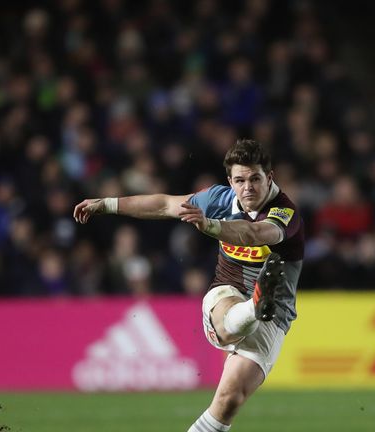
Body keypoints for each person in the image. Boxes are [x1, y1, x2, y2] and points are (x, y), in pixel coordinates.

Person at [73, 139, 304, 432]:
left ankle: (257, 306)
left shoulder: (285, 212)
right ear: (229, 181)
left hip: (275, 316)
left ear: (269, 178)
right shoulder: (218, 199)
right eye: (240, 180)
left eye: (255, 179)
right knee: (229, 317)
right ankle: (253, 306)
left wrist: (210, 226)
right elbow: (164, 204)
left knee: (228, 401)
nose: (248, 188)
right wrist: (106, 204)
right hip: (227, 293)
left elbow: (255, 233)